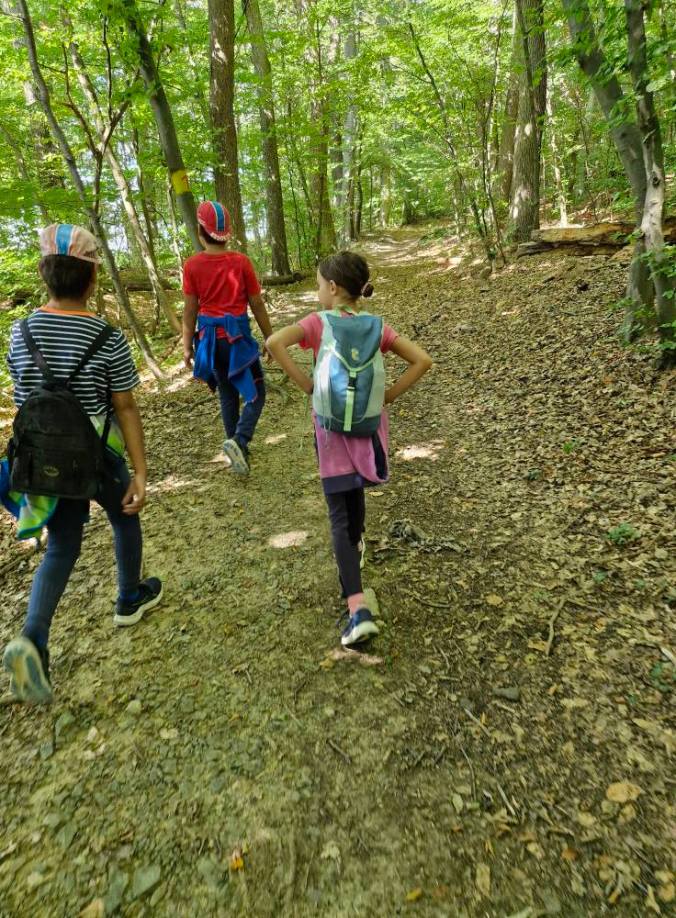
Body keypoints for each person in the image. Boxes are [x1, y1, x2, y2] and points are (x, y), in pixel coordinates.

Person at [1, 224, 162, 704]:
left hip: (46, 461)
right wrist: (140, 472)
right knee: (125, 514)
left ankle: (33, 638)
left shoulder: (20, 332)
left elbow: (24, 399)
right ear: (93, 278)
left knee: (62, 546)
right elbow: (125, 407)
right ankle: (128, 597)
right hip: (98, 456)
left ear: (43, 274)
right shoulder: (106, 336)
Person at [266, 251, 432, 647]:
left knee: (338, 515)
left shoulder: (318, 323)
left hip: (331, 436)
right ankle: (353, 566)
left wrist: (307, 386)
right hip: (367, 431)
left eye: (319, 285)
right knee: (355, 499)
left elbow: (274, 342)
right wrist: (387, 396)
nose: (318, 292)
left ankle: (357, 609)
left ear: (333, 287)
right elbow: (422, 360)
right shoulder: (378, 327)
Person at [182, 202, 273, 475]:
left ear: (201, 232)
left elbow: (190, 310)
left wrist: (187, 346)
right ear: (227, 233)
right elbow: (256, 303)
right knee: (256, 392)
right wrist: (269, 338)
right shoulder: (241, 262)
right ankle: (239, 440)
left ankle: (238, 451)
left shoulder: (192, 265)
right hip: (237, 340)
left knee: (227, 393)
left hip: (210, 342)